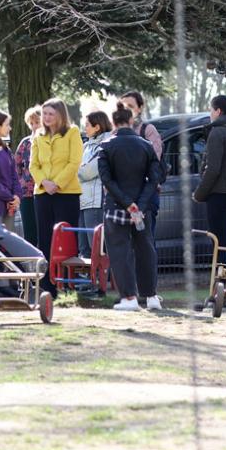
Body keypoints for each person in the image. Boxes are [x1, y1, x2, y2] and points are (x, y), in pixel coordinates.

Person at [98, 102, 161, 311]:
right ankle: (151, 296)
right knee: (145, 249)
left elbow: (107, 180)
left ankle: (129, 297)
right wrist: (139, 205)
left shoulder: (106, 147)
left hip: (116, 206)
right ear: (131, 120)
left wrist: (127, 203)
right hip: (142, 207)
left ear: (113, 122)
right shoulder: (146, 146)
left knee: (119, 250)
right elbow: (154, 179)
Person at [30, 98, 83, 297]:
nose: (47, 117)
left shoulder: (73, 132)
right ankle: (47, 288)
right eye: (45, 114)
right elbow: (33, 165)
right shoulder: (38, 136)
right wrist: (44, 183)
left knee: (67, 240)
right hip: (43, 194)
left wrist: (58, 183)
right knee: (44, 239)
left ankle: (68, 286)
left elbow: (74, 162)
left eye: (51, 114)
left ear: (60, 115)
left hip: (66, 193)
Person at [193, 95, 226, 263]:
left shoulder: (217, 132)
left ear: (218, 111)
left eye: (211, 109)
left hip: (219, 194)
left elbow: (213, 169)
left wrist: (199, 193)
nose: (210, 113)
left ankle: (221, 282)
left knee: (219, 243)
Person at [121, 91, 163, 238]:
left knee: (145, 242)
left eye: (130, 106)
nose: (125, 109)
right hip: (121, 196)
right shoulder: (114, 133)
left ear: (139, 108)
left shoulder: (148, 130)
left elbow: (153, 160)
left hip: (145, 195)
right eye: (122, 106)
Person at [78, 110, 112, 258]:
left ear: (97, 127)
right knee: (83, 246)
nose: (85, 128)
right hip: (82, 200)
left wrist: (72, 172)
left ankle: (101, 279)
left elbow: (89, 172)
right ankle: (87, 279)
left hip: (95, 201)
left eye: (87, 125)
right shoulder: (86, 146)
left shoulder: (106, 144)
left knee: (96, 246)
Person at [15, 106, 42, 246]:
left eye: (37, 122)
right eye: (31, 123)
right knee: (29, 231)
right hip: (26, 193)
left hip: (44, 191)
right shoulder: (25, 143)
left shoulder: (49, 141)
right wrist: (21, 182)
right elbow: (16, 165)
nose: (34, 126)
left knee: (44, 231)